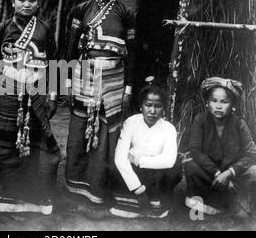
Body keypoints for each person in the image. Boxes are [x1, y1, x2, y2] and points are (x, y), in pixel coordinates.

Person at [63, 0, 137, 210]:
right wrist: (66, 83)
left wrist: (128, 89)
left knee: (106, 136)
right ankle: (74, 190)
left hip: (114, 80)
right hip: (84, 76)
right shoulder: (81, 10)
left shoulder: (126, 14)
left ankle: (97, 193)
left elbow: (133, 54)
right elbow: (70, 48)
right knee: (79, 134)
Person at [0, 0, 59, 214]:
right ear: (13, 2)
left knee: (33, 144)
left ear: (38, 3)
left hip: (35, 94)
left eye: (32, 0)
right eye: (22, 0)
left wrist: (54, 96)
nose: (27, 4)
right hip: (6, 93)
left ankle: (30, 193)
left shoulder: (45, 29)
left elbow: (55, 64)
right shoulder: (3, 28)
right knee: (5, 141)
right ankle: (3, 193)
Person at [184, 77, 256, 217]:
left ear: (232, 105)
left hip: (232, 174)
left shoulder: (239, 124)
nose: (218, 106)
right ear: (207, 103)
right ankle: (202, 209)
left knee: (254, 172)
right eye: (214, 100)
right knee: (191, 166)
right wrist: (217, 174)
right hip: (209, 174)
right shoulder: (200, 120)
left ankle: (238, 205)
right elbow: (195, 150)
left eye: (224, 102)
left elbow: (252, 153)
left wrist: (229, 173)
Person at [110, 82, 181, 218]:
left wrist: (138, 160)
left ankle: (156, 204)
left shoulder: (168, 128)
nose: (152, 111)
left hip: (157, 172)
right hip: (136, 174)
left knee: (175, 169)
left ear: (163, 108)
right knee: (117, 167)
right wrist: (137, 188)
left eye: (158, 106)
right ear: (141, 106)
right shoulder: (131, 122)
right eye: (148, 105)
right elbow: (120, 157)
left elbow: (168, 161)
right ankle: (136, 201)